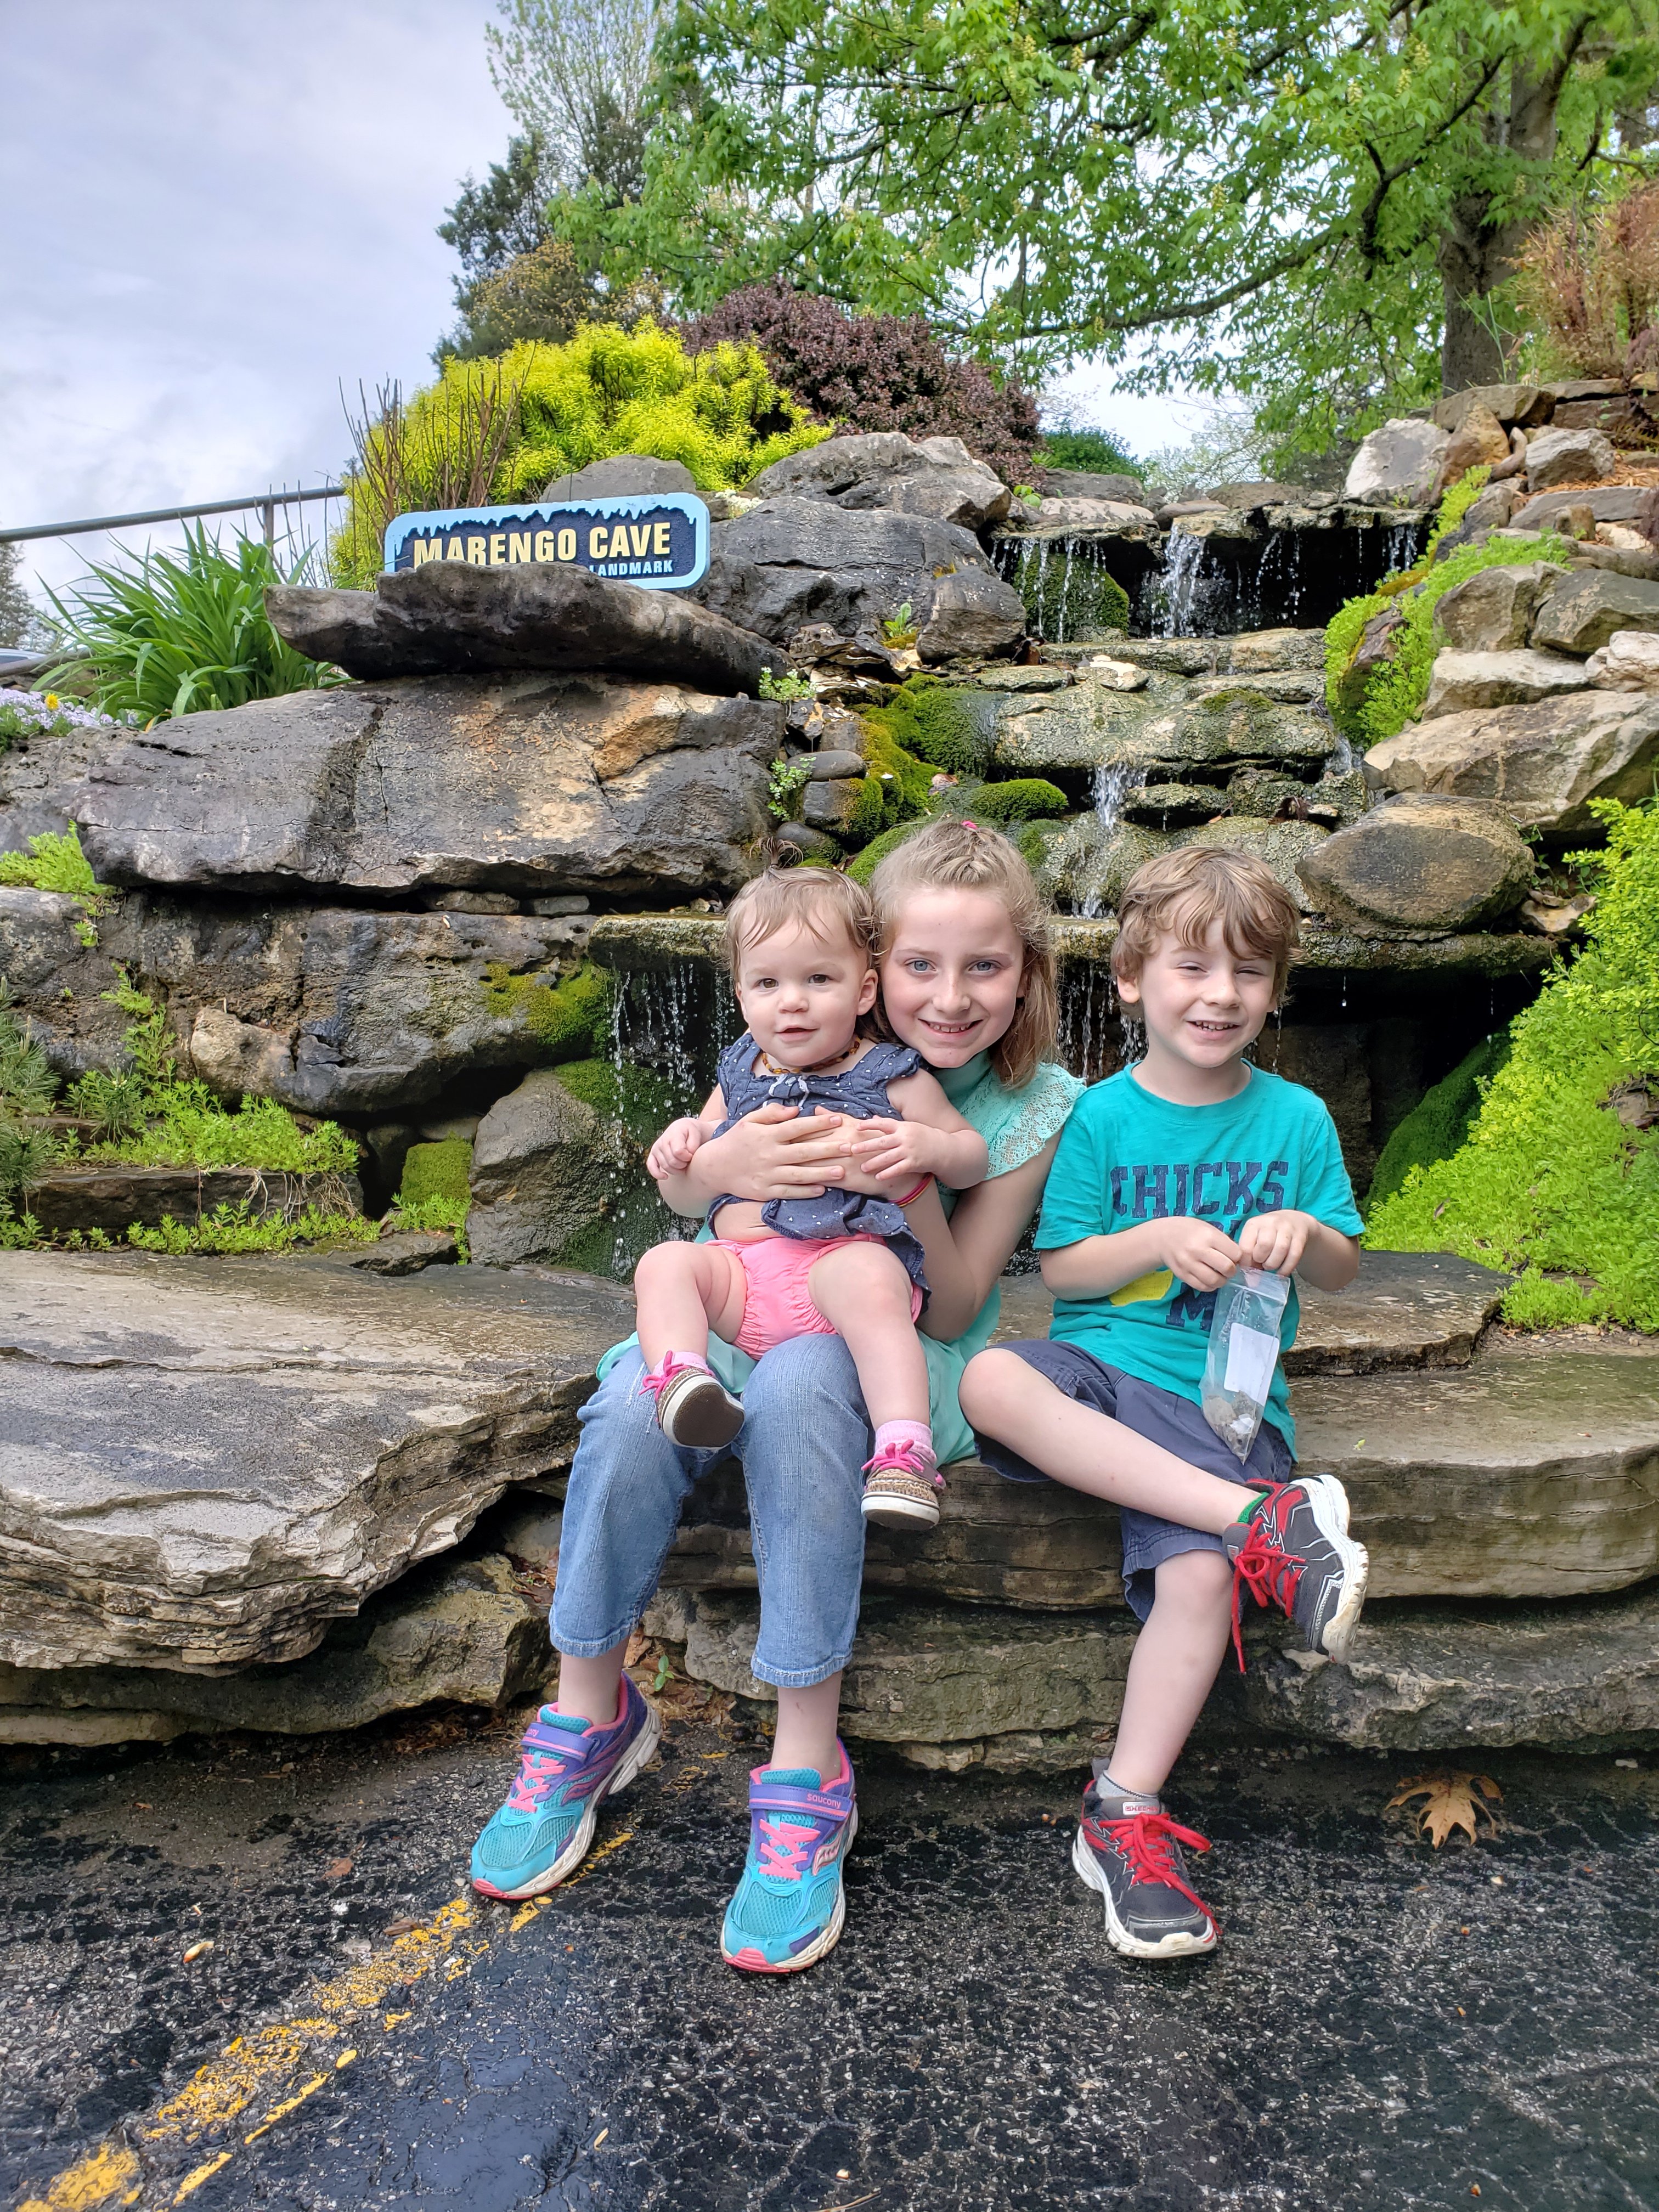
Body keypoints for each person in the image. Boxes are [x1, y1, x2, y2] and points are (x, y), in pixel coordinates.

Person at [468, 819, 1082, 1976]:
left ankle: (806, 1770)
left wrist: (906, 1181)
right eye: (920, 966)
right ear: (872, 964)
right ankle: (587, 1711)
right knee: (629, 1410)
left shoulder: (1031, 1106)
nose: (949, 998)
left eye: (985, 968)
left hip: (906, 1344)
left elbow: (951, 1309)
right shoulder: (778, 1054)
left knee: (804, 1390)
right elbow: (706, 1217)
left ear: (1027, 972)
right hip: (756, 1300)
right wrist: (716, 1172)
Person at [960, 845, 1370, 1962]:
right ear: (1133, 982)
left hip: (1224, 1407)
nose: (1220, 996)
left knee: (1195, 1584)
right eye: (1192, 968)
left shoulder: (1295, 1122)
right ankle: (1260, 1528)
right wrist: (1147, 1242)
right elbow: (1061, 1270)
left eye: (1246, 974)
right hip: (1103, 1372)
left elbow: (1338, 1271)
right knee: (990, 1376)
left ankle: (1123, 1812)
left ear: (1274, 992)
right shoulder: (1100, 1117)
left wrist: (1306, 1236)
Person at [631, 865, 989, 1530]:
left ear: (864, 991)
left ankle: (904, 1453)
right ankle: (683, 1378)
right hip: (745, 1282)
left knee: (871, 1277)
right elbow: (708, 1138)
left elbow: (970, 1156)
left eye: (817, 980)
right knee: (663, 1264)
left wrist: (925, 1149)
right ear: (741, 996)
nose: (790, 1002)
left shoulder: (889, 1072)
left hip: (835, 1276)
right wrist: (689, 1138)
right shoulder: (742, 1069)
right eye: (768, 983)